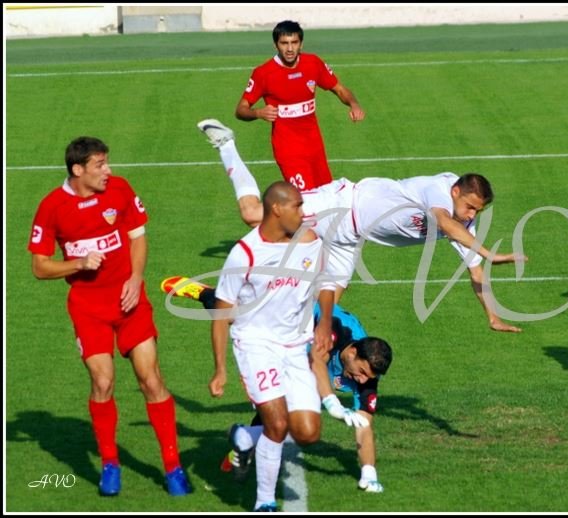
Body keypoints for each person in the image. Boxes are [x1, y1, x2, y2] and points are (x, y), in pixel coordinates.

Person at [177, 123, 527, 332]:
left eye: (476, 212)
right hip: (340, 206)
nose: (470, 216)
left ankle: (216, 300)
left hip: (349, 240)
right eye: (468, 207)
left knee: (313, 318)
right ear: (456, 191)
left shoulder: (463, 219)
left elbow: (476, 272)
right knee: (253, 213)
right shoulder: (439, 190)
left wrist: (492, 315)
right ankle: (226, 145)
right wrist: (488, 251)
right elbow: (445, 222)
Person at [27, 136, 191, 496]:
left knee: (151, 379)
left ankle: (173, 466)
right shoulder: (52, 207)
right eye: (100, 165)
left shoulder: (119, 190)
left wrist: (135, 277)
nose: (108, 171)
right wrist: (77, 263)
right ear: (78, 170)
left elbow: (138, 237)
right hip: (88, 308)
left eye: (107, 163)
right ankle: (110, 463)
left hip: (131, 301)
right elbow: (39, 267)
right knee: (103, 383)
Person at [209, 181, 336, 512]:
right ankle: (264, 501)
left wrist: (323, 323)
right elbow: (221, 315)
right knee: (277, 425)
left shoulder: (308, 240)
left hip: (296, 346)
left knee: (307, 433)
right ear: (276, 208)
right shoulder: (245, 253)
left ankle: (245, 436)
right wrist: (221, 368)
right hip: (256, 345)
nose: (303, 212)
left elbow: (325, 283)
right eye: (297, 205)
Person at [198, 19, 365, 227]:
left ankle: (316, 249)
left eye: (294, 43)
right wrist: (258, 112)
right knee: (303, 204)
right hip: (289, 149)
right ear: (276, 45)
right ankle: (290, 246)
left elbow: (339, 89)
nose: (289, 48)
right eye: (284, 43)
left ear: (301, 44)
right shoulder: (264, 73)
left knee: (325, 201)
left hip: (315, 147)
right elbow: (240, 110)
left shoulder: (313, 64)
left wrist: (354, 104)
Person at [221, 304, 393, 493]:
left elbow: (364, 425)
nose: (362, 380)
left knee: (293, 419)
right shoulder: (337, 331)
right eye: (361, 372)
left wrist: (369, 473)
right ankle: (206, 294)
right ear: (352, 353)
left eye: (369, 377)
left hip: (303, 352)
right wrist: (332, 403)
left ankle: (245, 439)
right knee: (233, 315)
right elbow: (316, 361)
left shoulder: (367, 377)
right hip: (288, 325)